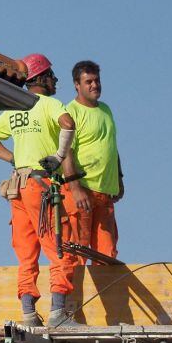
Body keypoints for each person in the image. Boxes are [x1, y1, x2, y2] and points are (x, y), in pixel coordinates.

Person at [0, 53, 83, 327]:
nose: (55, 81)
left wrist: (13, 158)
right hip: (42, 186)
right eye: (51, 75)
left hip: (20, 186)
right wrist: (60, 156)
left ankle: (28, 313)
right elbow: (68, 124)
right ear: (41, 78)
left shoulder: (15, 108)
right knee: (59, 247)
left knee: (26, 251)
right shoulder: (48, 104)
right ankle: (58, 314)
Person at [65, 60, 123, 262]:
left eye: (97, 80)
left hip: (104, 192)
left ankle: (105, 293)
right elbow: (65, 153)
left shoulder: (106, 110)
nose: (94, 85)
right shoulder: (70, 112)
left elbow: (111, 147)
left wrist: (119, 178)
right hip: (82, 190)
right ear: (76, 85)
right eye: (88, 81)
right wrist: (74, 188)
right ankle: (73, 293)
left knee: (107, 254)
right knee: (77, 250)